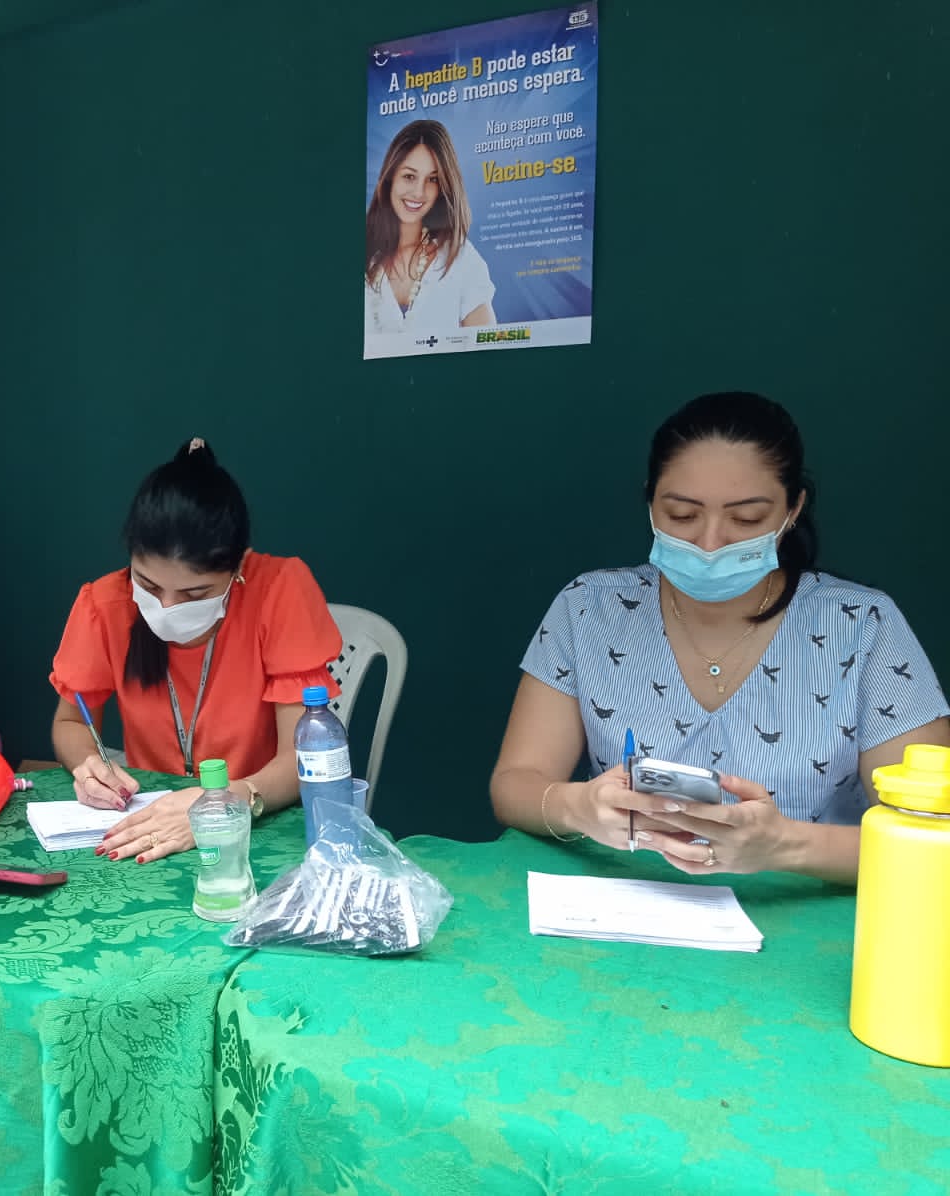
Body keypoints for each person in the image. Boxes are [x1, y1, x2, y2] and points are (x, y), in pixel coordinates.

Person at [490, 392, 950, 884]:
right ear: (651, 503)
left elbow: (932, 835)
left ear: (793, 510)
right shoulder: (590, 608)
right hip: (628, 905)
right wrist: (576, 807)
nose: (710, 543)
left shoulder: (862, 625)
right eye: (682, 515)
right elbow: (516, 784)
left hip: (811, 923)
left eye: (746, 519)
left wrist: (784, 846)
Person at [49, 438, 343, 863]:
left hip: (259, 820)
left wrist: (231, 800)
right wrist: (88, 765)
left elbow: (301, 757)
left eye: (195, 593)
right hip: (151, 825)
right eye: (148, 586)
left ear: (239, 565)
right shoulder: (104, 605)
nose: (166, 608)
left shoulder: (280, 589)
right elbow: (71, 721)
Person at [364, 118, 496, 352]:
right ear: (389, 179)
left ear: (443, 187)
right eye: (409, 176)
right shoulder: (364, 256)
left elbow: (488, 352)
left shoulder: (461, 259)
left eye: (432, 179)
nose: (418, 192)